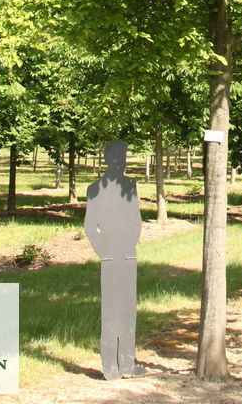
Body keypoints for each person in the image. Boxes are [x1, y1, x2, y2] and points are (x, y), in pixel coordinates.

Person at [84, 140, 145, 379]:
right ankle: (110, 367)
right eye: (118, 158)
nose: (122, 162)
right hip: (109, 255)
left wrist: (130, 242)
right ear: (108, 160)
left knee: (128, 308)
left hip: (127, 253)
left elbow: (136, 219)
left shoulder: (130, 185)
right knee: (110, 309)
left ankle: (127, 363)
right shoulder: (94, 189)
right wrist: (104, 251)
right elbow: (90, 226)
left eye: (124, 157)